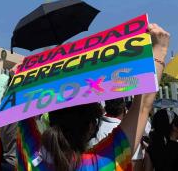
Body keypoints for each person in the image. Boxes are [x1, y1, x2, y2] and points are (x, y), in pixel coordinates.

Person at [39, 23, 170, 170]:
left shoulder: (31, 159)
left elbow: (143, 109)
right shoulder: (100, 163)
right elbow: (143, 107)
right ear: (91, 127)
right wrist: (160, 50)